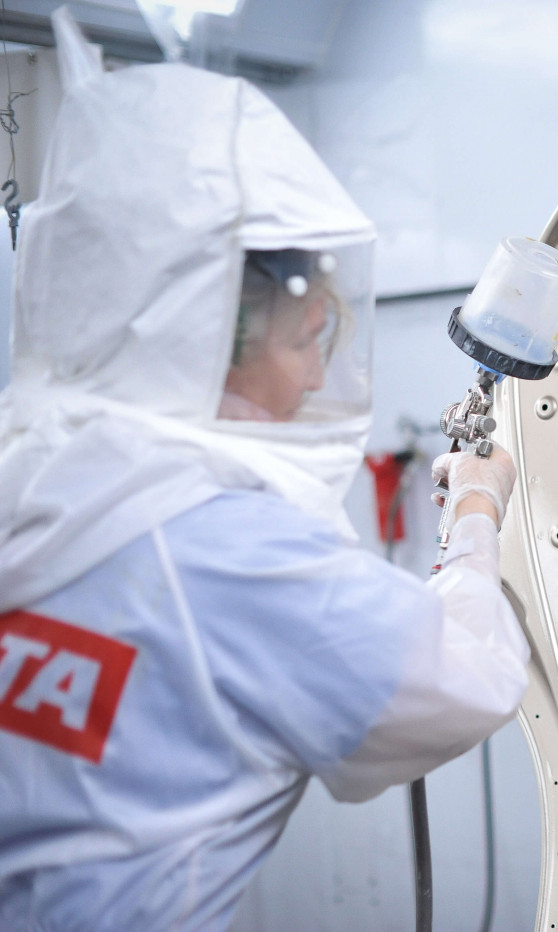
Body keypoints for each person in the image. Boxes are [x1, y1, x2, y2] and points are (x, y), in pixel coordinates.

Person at [0, 14, 529, 931]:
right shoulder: (234, 555)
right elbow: (463, 680)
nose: (321, 373)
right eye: (304, 337)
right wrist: (478, 509)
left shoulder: (32, 475)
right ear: (200, 342)